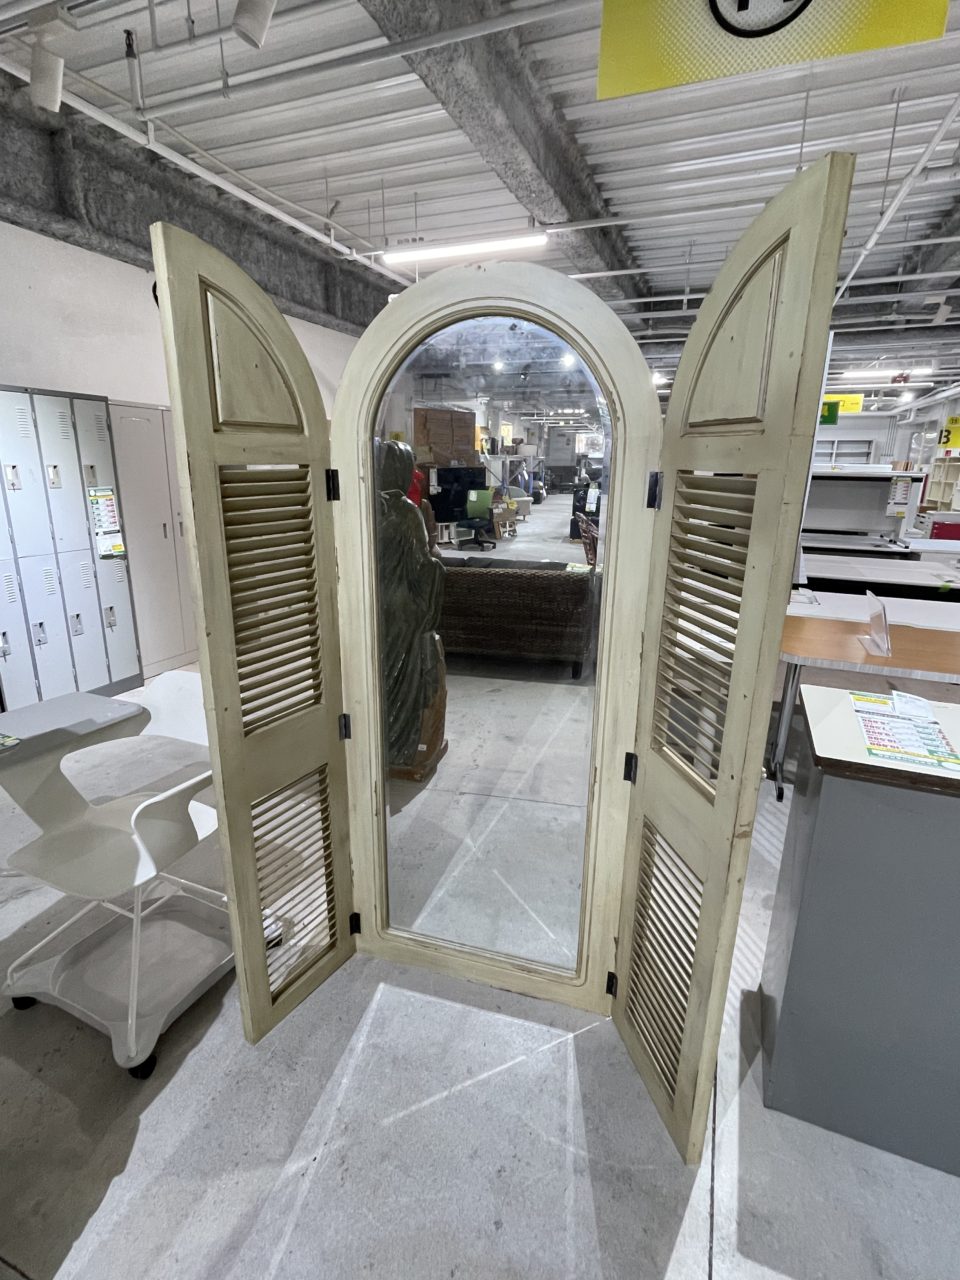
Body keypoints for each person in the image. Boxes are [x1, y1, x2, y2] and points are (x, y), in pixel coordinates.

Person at [376, 440, 446, 770]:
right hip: (403, 606)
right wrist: (438, 569)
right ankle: (400, 745)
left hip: (373, 603)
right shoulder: (406, 511)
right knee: (403, 677)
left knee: (379, 671)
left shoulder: (367, 507)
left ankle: (378, 742)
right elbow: (422, 564)